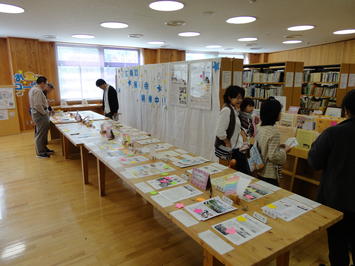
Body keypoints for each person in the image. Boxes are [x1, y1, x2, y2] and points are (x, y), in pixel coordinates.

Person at [308, 89, 355, 266]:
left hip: (337, 199)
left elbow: (314, 162)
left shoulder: (333, 133)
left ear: (346, 110)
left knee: (338, 245)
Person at [215, 85, 251, 175]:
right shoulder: (227, 110)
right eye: (237, 98)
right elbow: (220, 131)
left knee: (237, 174)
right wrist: (227, 142)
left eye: (241, 98)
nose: (240, 100)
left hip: (236, 148)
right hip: (229, 149)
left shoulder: (234, 109)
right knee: (233, 174)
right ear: (229, 97)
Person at [255, 98, 291, 185]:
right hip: (269, 173)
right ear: (274, 113)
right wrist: (285, 151)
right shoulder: (274, 132)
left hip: (259, 168)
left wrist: (278, 146)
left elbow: (264, 147)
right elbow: (273, 156)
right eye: (279, 111)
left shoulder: (259, 127)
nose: (280, 113)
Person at [29, 76, 53, 158]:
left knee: (43, 133)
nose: (46, 85)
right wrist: (44, 112)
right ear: (42, 83)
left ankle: (44, 148)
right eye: (46, 83)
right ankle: (40, 152)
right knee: (40, 133)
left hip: (39, 113)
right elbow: (37, 105)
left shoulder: (35, 89)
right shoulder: (37, 90)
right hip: (40, 114)